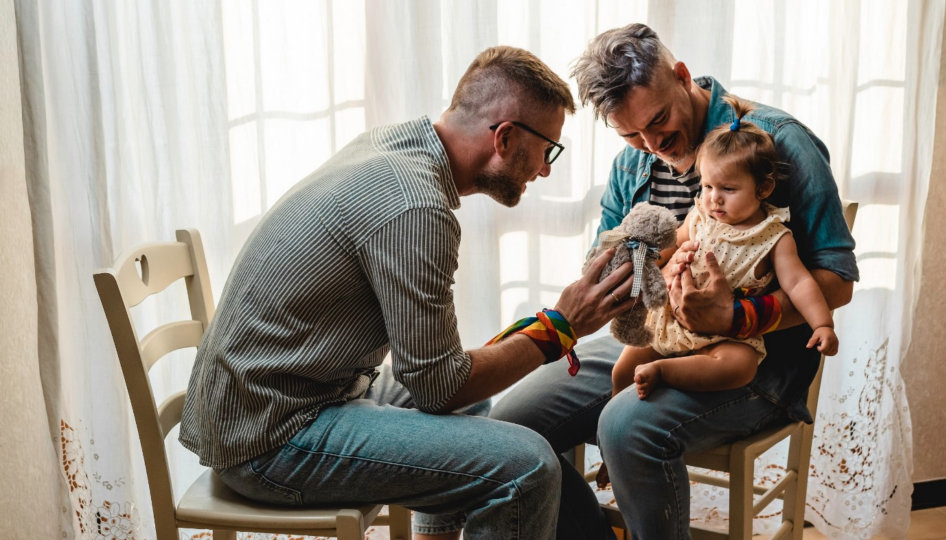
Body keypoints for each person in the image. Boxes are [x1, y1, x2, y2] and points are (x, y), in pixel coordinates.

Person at [179, 46, 635, 540]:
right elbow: (438, 386)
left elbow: (440, 385)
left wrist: (550, 330)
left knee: (473, 409)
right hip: (270, 438)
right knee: (527, 468)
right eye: (548, 149)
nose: (545, 169)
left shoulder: (392, 147)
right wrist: (559, 329)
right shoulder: (417, 209)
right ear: (504, 138)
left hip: (258, 405)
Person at [490, 24, 859, 540]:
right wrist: (649, 274)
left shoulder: (780, 143)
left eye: (659, 120)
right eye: (630, 134)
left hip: (753, 360)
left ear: (682, 77)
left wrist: (737, 315)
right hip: (657, 337)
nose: (652, 145)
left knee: (624, 426)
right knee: (507, 429)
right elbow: (609, 268)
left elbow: (836, 281)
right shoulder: (632, 162)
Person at [611, 95, 840, 401]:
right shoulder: (699, 217)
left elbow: (799, 283)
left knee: (740, 367)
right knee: (621, 370)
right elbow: (668, 246)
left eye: (728, 189)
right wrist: (656, 271)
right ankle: (615, 409)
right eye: (707, 187)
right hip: (669, 317)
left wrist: (822, 323)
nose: (714, 199)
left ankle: (665, 371)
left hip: (727, 334)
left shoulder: (773, 237)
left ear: (763, 188)